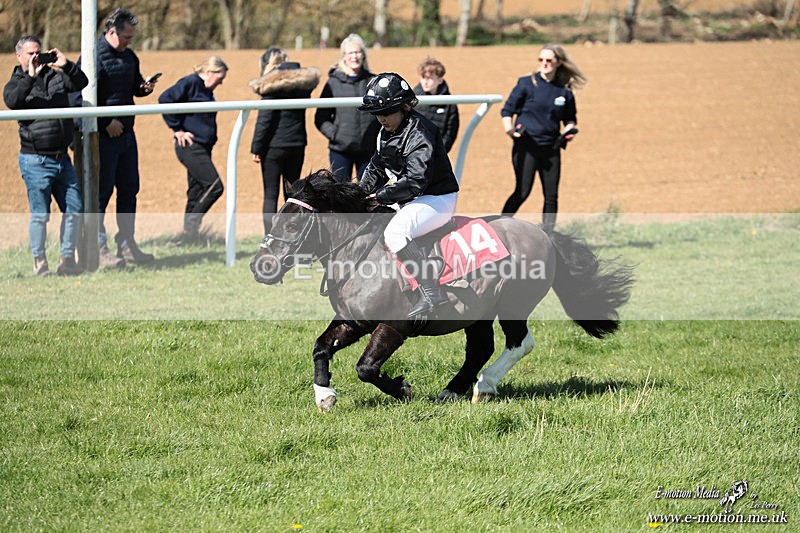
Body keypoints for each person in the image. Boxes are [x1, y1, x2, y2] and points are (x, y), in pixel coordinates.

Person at [358, 73, 459, 319]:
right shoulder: (385, 131)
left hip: (436, 199)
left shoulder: (420, 131)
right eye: (377, 113)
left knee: (395, 233)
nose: (381, 118)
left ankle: (433, 293)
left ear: (404, 107)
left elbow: (416, 181)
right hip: (410, 198)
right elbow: (376, 167)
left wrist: (379, 197)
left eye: (387, 111)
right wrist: (358, 195)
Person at [4, 35, 88, 277]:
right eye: (30, 53)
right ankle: (39, 262)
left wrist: (66, 65)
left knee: (74, 210)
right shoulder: (16, 82)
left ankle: (67, 260)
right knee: (40, 215)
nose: (35, 57)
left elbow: (82, 82)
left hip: (63, 158)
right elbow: (13, 101)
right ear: (19, 55)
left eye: (38, 52)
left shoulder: (56, 77)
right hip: (35, 160)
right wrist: (30, 76)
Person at [80, 7, 158, 267]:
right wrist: (104, 123)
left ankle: (126, 243)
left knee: (129, 189)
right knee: (102, 193)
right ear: (111, 32)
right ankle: (99, 247)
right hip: (103, 138)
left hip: (127, 135)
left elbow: (132, 89)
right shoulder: (92, 57)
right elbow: (82, 97)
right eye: (125, 37)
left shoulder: (130, 57)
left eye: (132, 38)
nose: (128, 42)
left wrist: (143, 88)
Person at [500, 43, 586, 232]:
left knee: (551, 196)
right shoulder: (526, 83)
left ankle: (549, 237)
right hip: (526, 147)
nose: (544, 63)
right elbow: (507, 110)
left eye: (549, 60)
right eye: (541, 60)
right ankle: (496, 228)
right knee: (522, 192)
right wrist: (510, 130)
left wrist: (569, 131)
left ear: (558, 63)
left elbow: (570, 119)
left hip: (551, 149)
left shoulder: (564, 91)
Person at [158, 56, 228, 246]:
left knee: (195, 192)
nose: (220, 84)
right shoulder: (191, 82)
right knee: (215, 186)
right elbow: (165, 99)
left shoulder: (205, 88)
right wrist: (177, 129)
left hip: (203, 148)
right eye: (219, 79)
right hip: (191, 147)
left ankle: (188, 237)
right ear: (208, 72)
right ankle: (192, 224)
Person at [250, 47, 320, 235]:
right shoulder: (303, 84)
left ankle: (270, 237)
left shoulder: (270, 85)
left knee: (270, 194)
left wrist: (256, 147)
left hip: (273, 147)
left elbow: (264, 120)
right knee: (293, 195)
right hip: (297, 145)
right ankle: (293, 235)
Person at [314, 33, 380, 183]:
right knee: (340, 196)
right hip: (340, 151)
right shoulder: (333, 83)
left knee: (367, 195)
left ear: (363, 55)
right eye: (351, 53)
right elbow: (321, 118)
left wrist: (376, 137)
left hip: (368, 151)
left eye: (358, 52)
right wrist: (336, 135)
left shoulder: (373, 81)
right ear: (344, 56)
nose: (355, 56)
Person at [412, 57, 459, 153]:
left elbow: (451, 132)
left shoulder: (449, 103)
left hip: (437, 156)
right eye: (423, 77)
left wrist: (439, 153)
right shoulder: (413, 100)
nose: (425, 82)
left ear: (440, 80)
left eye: (429, 78)